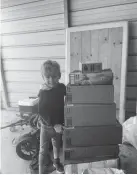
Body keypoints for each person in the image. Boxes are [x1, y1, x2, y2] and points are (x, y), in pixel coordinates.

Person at [38, 60, 66, 174]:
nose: (51, 80)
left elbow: (70, 93)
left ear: (59, 76)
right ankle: (41, 170)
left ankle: (56, 162)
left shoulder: (61, 87)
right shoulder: (43, 92)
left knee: (57, 144)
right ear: (43, 77)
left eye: (54, 77)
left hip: (59, 124)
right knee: (43, 150)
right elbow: (42, 111)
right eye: (47, 77)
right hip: (47, 126)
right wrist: (53, 125)